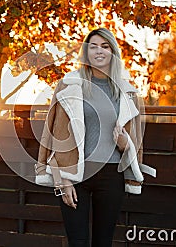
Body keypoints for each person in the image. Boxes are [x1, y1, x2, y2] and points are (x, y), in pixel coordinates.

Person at [35, 28, 156, 247]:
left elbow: (135, 139)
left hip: (111, 175)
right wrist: (62, 179)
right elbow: (53, 131)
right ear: (86, 52)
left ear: (113, 52)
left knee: (103, 242)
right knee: (78, 241)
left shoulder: (127, 92)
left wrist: (125, 144)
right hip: (74, 174)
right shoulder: (68, 85)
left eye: (105, 46)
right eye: (93, 46)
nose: (98, 51)